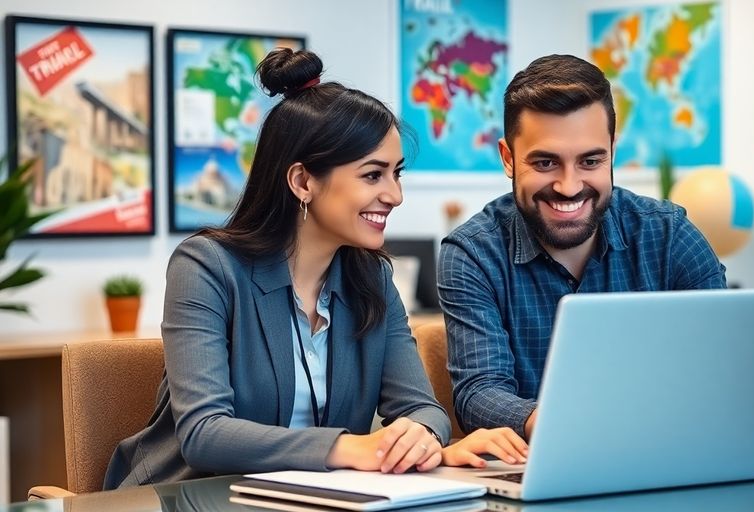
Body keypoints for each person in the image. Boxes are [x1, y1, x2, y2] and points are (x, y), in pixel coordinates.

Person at [104, 48, 526, 489]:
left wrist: (418, 437)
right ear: (303, 181)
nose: (395, 195)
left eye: (396, 174)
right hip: (187, 496)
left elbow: (424, 409)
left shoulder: (373, 279)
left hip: (309, 498)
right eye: (373, 175)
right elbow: (204, 434)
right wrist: (353, 447)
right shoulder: (207, 267)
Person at [438, 54, 728, 440]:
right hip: (545, 468)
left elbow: (724, 365)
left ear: (612, 150)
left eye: (590, 161)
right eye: (545, 163)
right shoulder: (473, 254)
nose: (569, 186)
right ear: (508, 158)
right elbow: (479, 394)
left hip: (668, 450)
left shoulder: (671, 236)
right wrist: (565, 423)